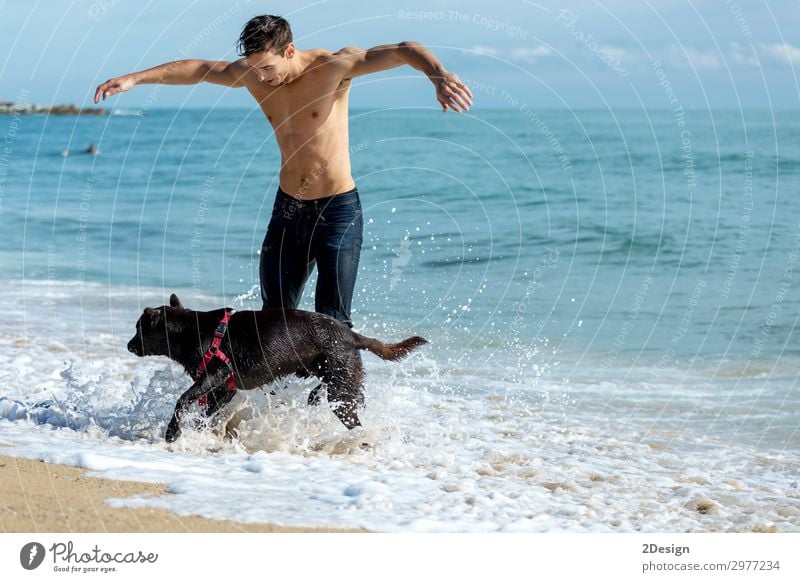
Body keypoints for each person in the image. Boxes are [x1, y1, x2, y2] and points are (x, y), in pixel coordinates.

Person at [94, 14, 473, 329]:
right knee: (272, 320)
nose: (260, 77)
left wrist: (436, 74)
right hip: (288, 210)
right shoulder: (253, 74)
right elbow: (199, 69)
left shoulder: (332, 68)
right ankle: (274, 410)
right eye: (254, 68)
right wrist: (136, 78)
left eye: (267, 68)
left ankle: (334, 412)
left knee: (333, 323)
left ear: (289, 50)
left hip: (337, 211)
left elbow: (402, 49)